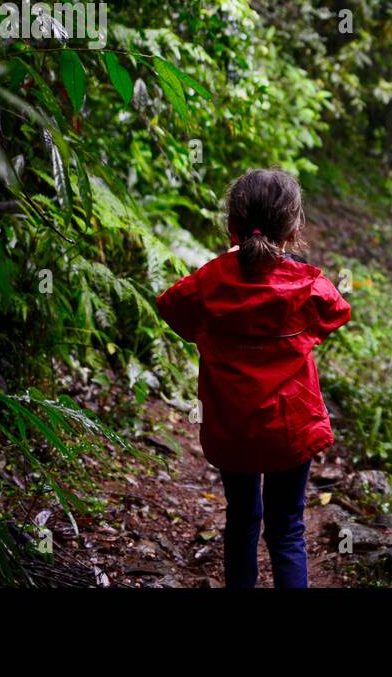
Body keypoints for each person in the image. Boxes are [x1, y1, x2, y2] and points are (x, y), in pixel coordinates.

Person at [156, 168, 351, 588]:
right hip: (290, 429)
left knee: (242, 521)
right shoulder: (307, 283)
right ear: (295, 228)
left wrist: (206, 333)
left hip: (233, 428)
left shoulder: (209, 280)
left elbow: (171, 306)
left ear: (231, 227)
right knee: (287, 530)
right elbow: (338, 312)